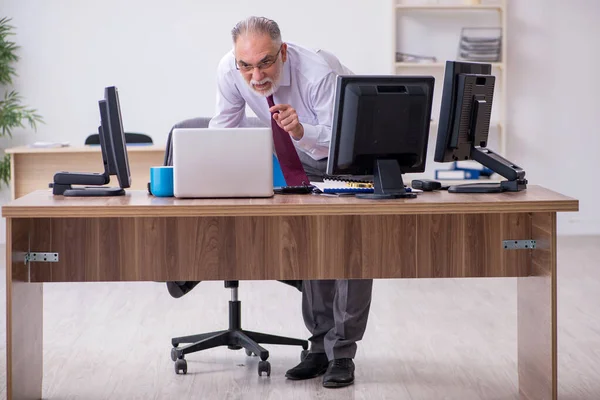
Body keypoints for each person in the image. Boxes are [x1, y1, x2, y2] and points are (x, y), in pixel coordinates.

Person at [171, 16, 373, 388]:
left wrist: (300, 130)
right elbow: (224, 129)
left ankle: (342, 354)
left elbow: (339, 140)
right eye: (246, 65)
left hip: (345, 152)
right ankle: (317, 348)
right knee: (314, 246)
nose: (256, 75)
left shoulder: (317, 72)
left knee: (348, 248)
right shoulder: (229, 70)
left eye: (265, 62)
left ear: (283, 51)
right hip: (299, 155)